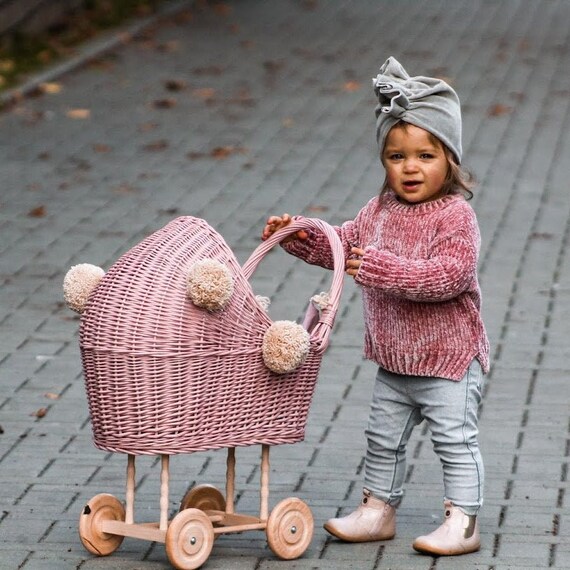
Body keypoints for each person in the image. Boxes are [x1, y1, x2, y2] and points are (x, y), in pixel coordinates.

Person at [261, 56, 490, 556]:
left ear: (449, 159)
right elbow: (346, 248)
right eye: (396, 156)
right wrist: (299, 237)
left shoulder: (456, 216)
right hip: (394, 360)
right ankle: (377, 510)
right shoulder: (378, 209)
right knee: (381, 439)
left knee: (455, 442)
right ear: (384, 160)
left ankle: (463, 521)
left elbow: (449, 277)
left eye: (425, 156)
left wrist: (381, 268)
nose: (410, 168)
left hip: (449, 360)